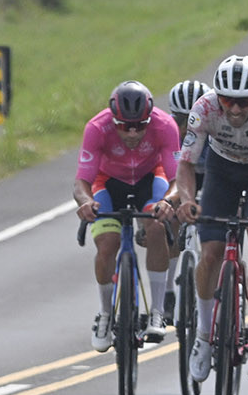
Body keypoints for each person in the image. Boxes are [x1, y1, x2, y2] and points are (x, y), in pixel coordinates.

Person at [176, 55, 248, 385]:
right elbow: (186, 165)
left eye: (244, 102)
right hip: (220, 170)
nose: (236, 110)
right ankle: (202, 336)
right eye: (228, 100)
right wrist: (187, 201)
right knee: (211, 254)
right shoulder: (204, 109)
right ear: (218, 98)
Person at [73, 80, 179, 351]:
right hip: (108, 182)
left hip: (149, 179)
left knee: (157, 227)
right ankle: (105, 314)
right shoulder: (97, 128)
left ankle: (156, 310)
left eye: (140, 125)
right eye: (124, 126)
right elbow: (82, 182)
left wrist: (168, 201)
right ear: (113, 118)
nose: (132, 133)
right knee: (108, 243)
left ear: (149, 118)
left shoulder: (165, 126)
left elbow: (178, 179)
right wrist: (86, 203)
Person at [162, 79, 209, 321]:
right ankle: (168, 290)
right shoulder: (169, 131)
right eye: (180, 120)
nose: (187, 127)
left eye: (192, 120)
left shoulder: (214, 126)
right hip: (183, 174)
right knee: (171, 217)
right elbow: (168, 175)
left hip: (212, 175)